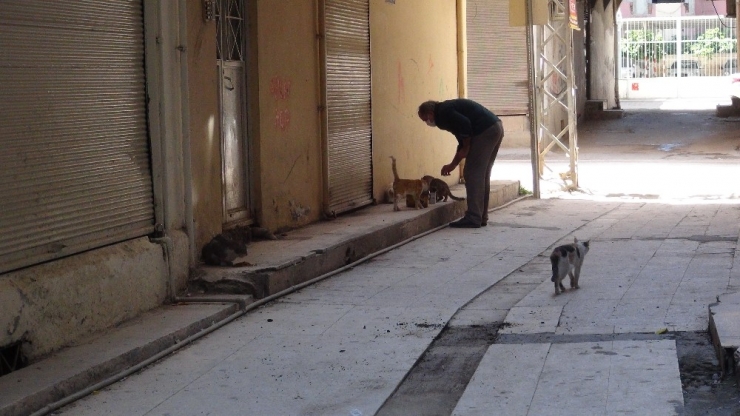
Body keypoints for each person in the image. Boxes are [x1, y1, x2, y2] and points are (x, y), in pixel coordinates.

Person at [418, 98, 504, 228]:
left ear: (430, 112)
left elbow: (465, 126)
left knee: (472, 174)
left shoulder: (443, 113)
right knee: (482, 174)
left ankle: (474, 217)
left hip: (484, 131)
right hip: (495, 127)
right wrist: (453, 164)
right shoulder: (445, 111)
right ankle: (481, 217)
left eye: (425, 119)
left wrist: (467, 147)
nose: (426, 122)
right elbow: (462, 140)